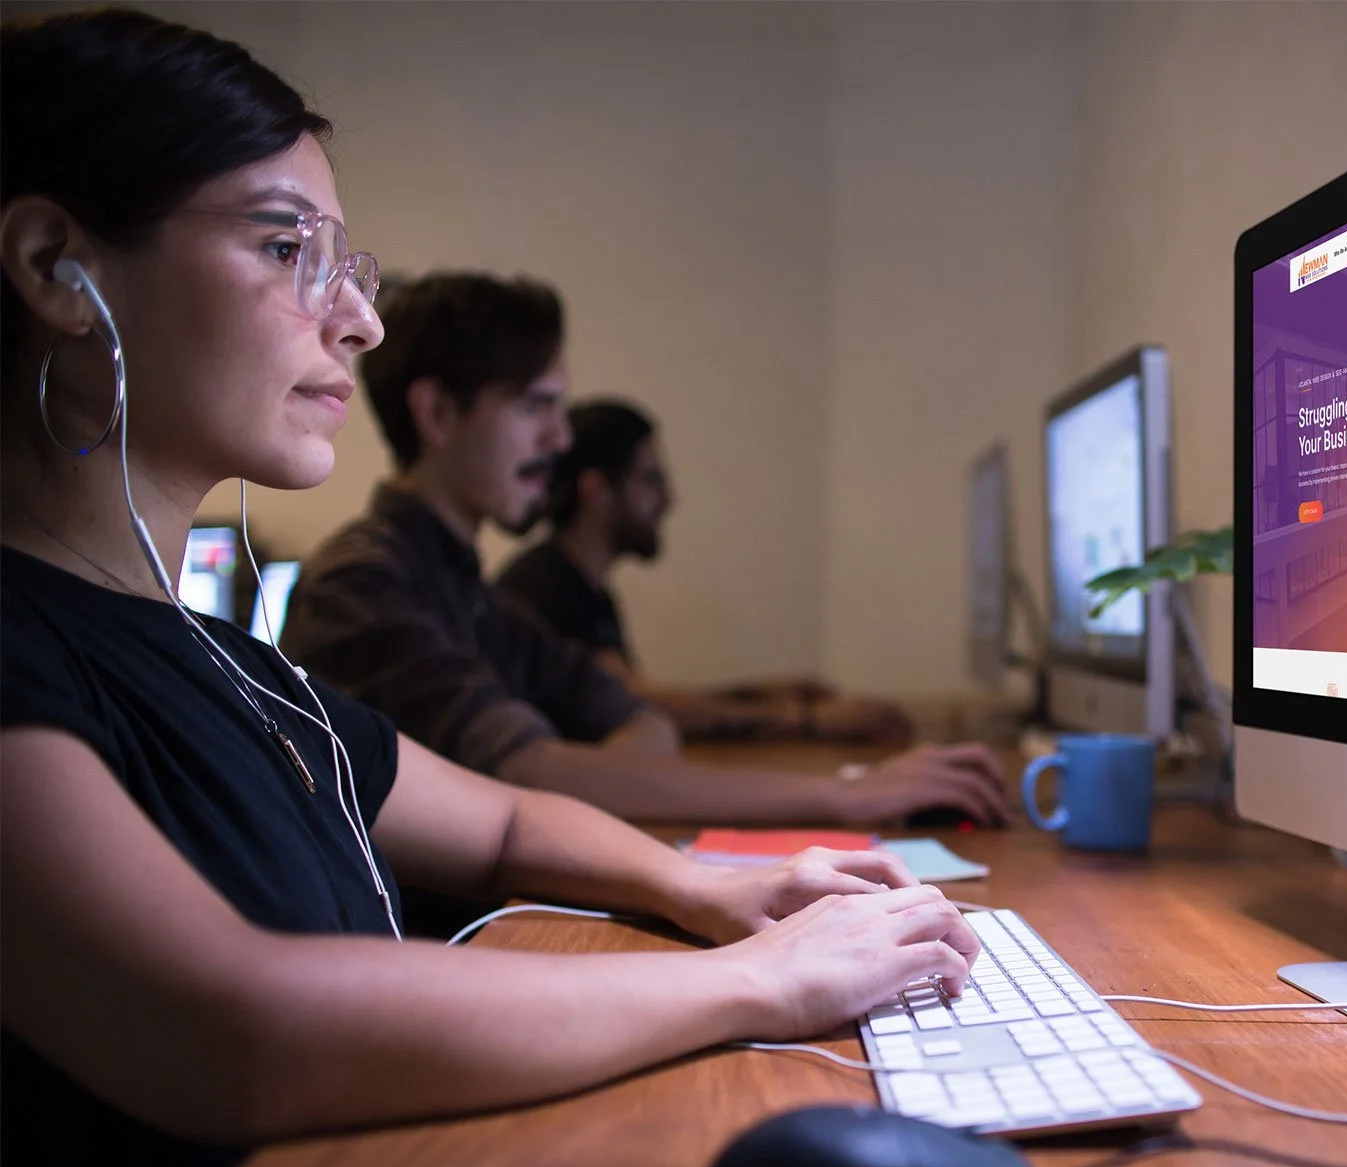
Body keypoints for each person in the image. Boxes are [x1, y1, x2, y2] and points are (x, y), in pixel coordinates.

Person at [0, 12, 979, 1167]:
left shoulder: (230, 661)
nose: (355, 319)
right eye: (288, 248)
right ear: (60, 265)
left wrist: (714, 883)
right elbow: (235, 1025)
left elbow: (506, 813)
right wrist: (766, 981)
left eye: (350, 266)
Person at [282, 273, 1010, 827]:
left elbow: (637, 720)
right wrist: (847, 793)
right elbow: (540, 776)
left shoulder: (467, 591)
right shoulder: (364, 586)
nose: (561, 440)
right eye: (538, 406)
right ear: (438, 413)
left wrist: (590, 771)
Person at [495, 398, 912, 742]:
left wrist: (760, 694)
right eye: (651, 480)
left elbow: (632, 697)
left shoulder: (586, 590)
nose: (668, 499)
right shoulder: (545, 586)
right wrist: (805, 720)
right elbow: (634, 703)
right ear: (596, 489)